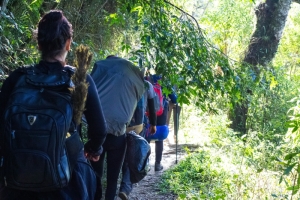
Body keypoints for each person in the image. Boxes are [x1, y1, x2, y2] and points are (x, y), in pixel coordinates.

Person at [0, 10, 107, 200]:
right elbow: (99, 131)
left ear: (39, 43)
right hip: (65, 184)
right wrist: (93, 149)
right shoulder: (79, 80)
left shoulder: (17, 79)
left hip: (17, 182)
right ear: (68, 43)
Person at [90, 55, 145, 200]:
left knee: (96, 174)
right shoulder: (126, 79)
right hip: (118, 135)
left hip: (97, 135)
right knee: (112, 178)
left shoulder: (100, 70)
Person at [118, 80, 157, 200]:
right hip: (139, 126)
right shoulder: (147, 85)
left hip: (123, 125)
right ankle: (125, 188)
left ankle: (120, 186)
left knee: (123, 156)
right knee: (134, 157)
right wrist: (153, 124)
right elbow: (152, 107)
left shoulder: (125, 82)